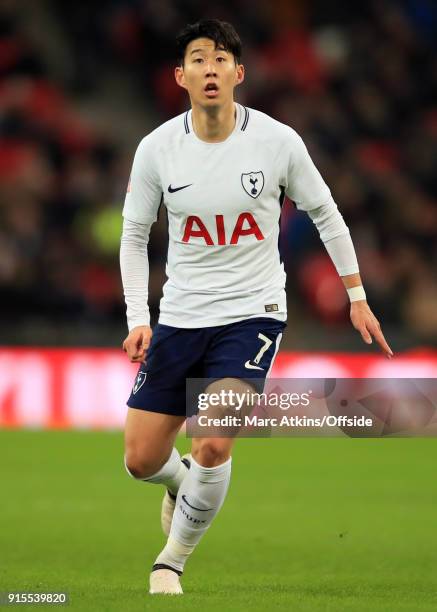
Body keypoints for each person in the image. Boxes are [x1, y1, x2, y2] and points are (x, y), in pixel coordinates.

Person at [119, 18, 393, 596]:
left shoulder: (277, 142)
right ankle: (181, 482)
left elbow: (328, 214)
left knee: (214, 438)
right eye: (198, 59)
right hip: (180, 317)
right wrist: (138, 320)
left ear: (239, 74)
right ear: (180, 76)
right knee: (141, 460)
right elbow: (134, 235)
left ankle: (171, 561)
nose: (210, 68)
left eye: (221, 59)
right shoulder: (156, 150)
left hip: (253, 312)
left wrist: (357, 297)